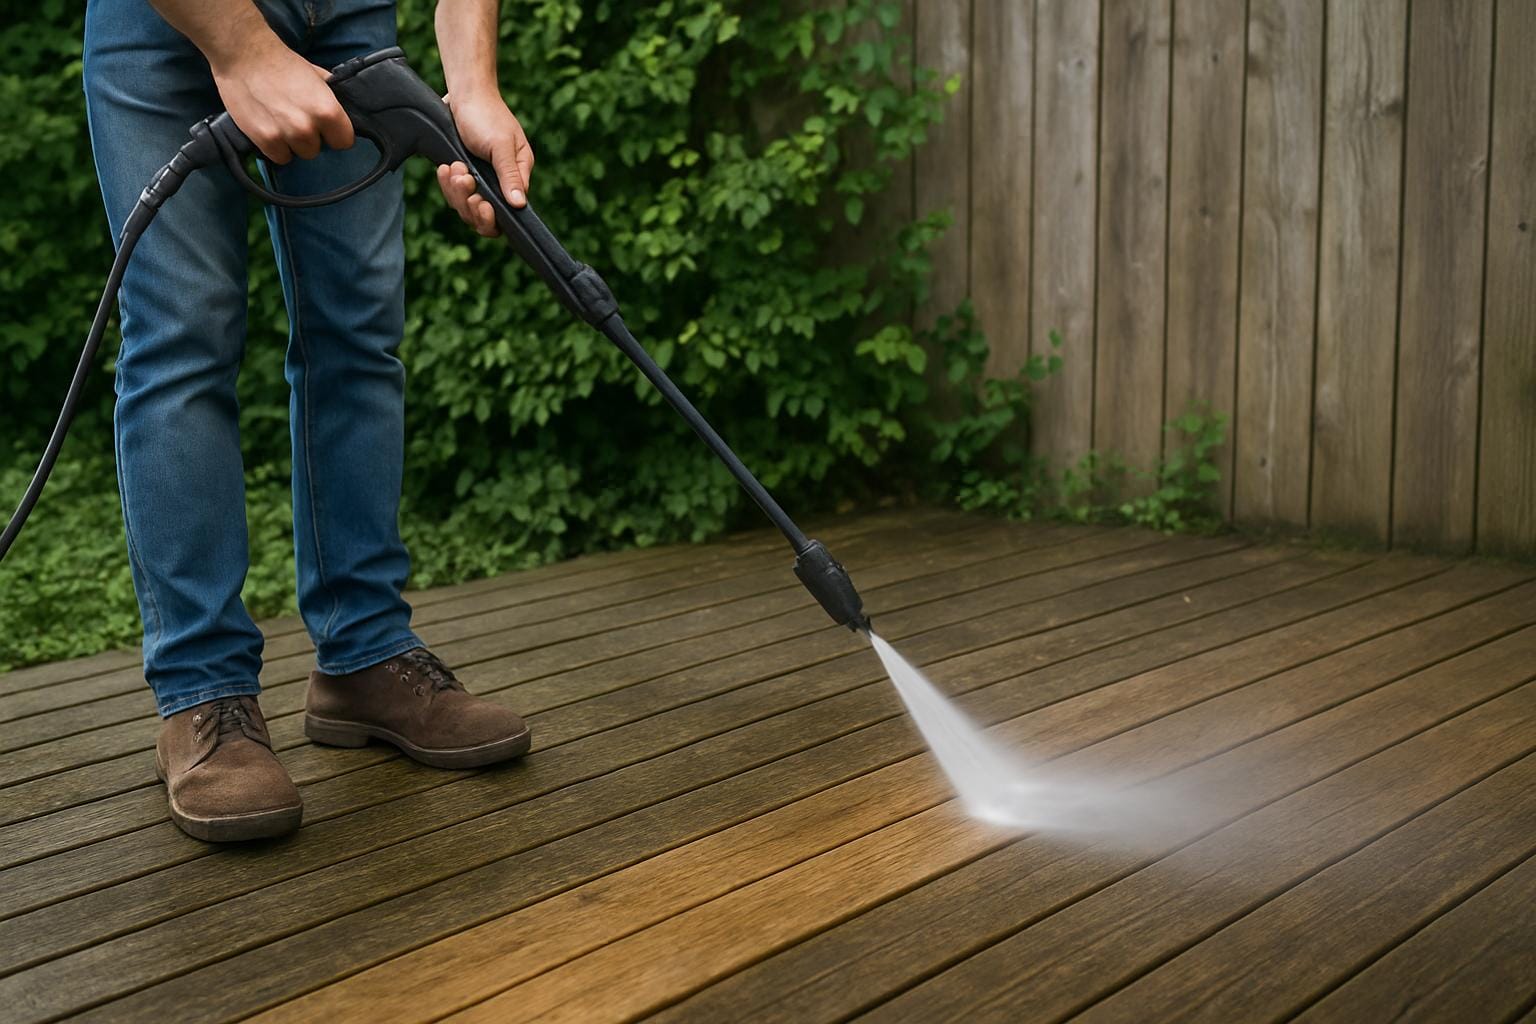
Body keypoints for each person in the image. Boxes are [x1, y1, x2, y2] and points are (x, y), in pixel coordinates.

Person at [84, 0, 533, 843]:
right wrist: (243, 46)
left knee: (359, 329)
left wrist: (473, 83)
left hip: (349, 18)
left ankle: (364, 655)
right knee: (185, 331)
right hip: (172, 22)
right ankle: (204, 692)